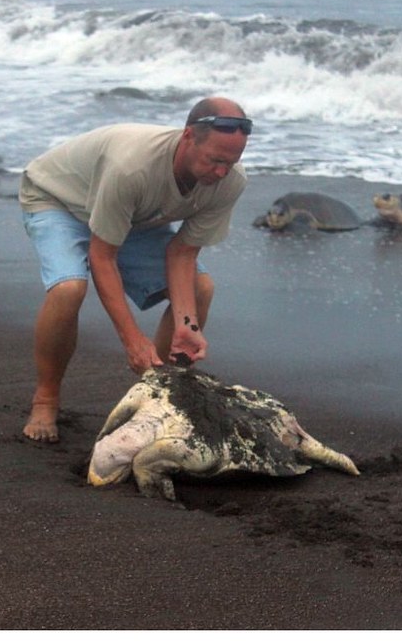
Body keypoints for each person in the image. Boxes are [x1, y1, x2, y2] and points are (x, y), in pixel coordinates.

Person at [19, 97, 252, 442]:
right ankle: (46, 398)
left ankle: (154, 399)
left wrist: (186, 327)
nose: (221, 172)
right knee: (69, 289)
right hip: (60, 200)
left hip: (131, 217)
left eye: (230, 163)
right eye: (214, 160)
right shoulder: (132, 167)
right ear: (188, 137)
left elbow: (183, 254)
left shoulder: (229, 181)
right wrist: (133, 340)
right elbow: (103, 257)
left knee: (201, 288)